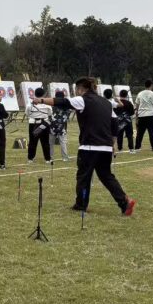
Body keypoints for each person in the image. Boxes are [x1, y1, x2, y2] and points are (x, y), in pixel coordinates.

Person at [36, 77, 136, 216]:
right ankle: (124, 202)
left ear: (80, 88)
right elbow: (114, 125)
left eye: (76, 89)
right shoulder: (106, 103)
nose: (76, 92)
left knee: (83, 177)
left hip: (89, 147)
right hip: (106, 147)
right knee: (107, 176)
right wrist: (112, 144)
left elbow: (63, 102)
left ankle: (81, 205)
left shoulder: (83, 99)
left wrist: (40, 100)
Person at [25, 87, 53, 163]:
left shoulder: (30, 104)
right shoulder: (47, 104)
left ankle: (30, 158)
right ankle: (47, 159)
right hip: (44, 124)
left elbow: (27, 113)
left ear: (35, 94)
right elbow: (50, 113)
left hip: (33, 124)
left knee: (32, 141)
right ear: (43, 94)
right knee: (45, 142)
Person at [134, 80, 153, 152]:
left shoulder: (140, 93)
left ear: (145, 85)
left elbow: (137, 105)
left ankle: (137, 147)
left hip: (142, 115)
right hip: (151, 115)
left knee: (140, 133)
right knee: (152, 132)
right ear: (151, 85)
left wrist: (136, 116)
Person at [49, 89, 71, 161]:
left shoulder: (52, 105)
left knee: (51, 143)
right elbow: (67, 116)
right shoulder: (67, 106)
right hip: (62, 126)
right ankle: (65, 158)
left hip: (52, 126)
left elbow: (49, 115)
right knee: (63, 142)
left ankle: (50, 157)